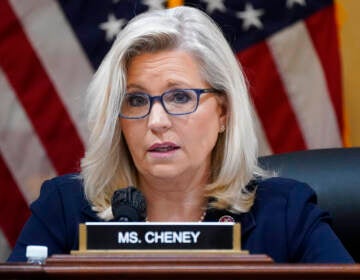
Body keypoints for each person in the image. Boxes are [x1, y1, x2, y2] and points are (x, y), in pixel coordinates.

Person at [8, 6, 353, 263]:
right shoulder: (66, 208)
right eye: (136, 99)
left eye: (180, 97)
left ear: (223, 112)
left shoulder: (284, 212)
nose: (156, 121)